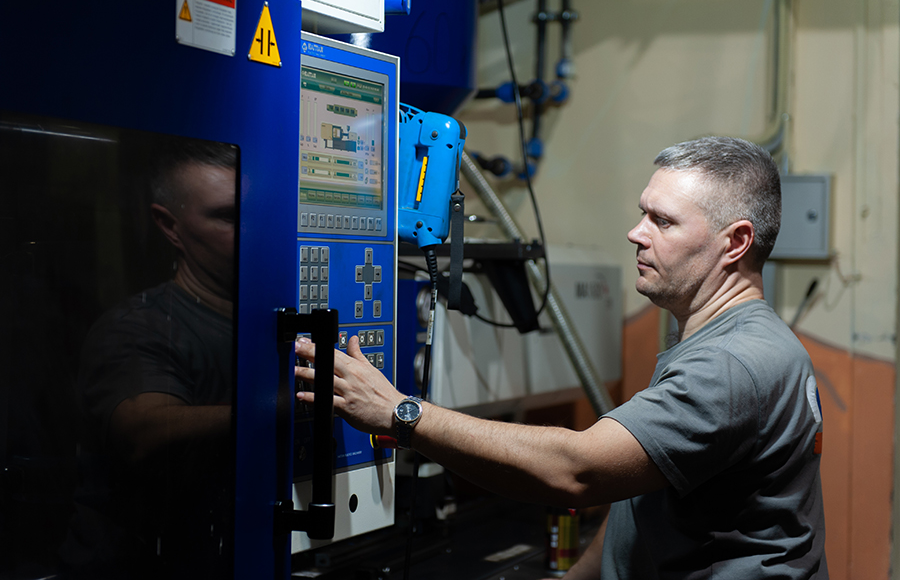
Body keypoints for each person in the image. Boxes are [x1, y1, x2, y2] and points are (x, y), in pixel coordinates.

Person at [295, 136, 827, 579]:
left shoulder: (730, 363)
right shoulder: (731, 340)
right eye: (642, 213)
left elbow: (579, 470)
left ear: (735, 242)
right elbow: (641, 498)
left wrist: (399, 413)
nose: (636, 233)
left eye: (663, 221)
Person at [64, 140, 237, 578]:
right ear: (170, 226)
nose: (252, 229)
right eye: (228, 216)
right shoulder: (140, 326)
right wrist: (282, 408)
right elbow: (144, 430)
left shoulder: (266, 321)